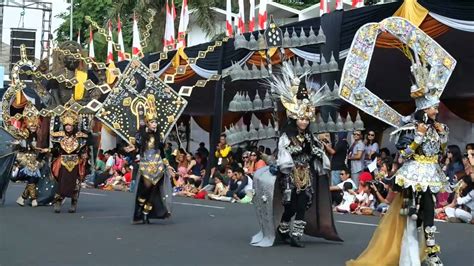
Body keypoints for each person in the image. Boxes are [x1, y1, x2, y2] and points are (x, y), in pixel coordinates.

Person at [343, 18, 455, 266]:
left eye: (436, 105)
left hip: (431, 171)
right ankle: (413, 252)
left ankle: (430, 253)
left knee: (429, 212)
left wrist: (440, 137)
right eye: (434, 106)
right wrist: (417, 137)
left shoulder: (441, 127)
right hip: (414, 174)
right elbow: (403, 154)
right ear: (426, 108)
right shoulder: (410, 127)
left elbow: (442, 151)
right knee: (416, 213)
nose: (437, 107)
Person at [251, 62, 342, 248]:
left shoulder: (310, 136)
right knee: (290, 205)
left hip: (306, 174)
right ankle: (283, 230)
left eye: (307, 119)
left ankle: (296, 235)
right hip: (290, 176)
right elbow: (284, 156)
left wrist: (314, 150)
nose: (304, 122)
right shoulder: (286, 136)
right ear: (294, 118)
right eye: (301, 118)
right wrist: (300, 149)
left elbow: (319, 155)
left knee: (303, 204)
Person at [124, 98, 172, 224]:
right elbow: (136, 150)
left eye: (155, 122)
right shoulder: (141, 136)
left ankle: (146, 214)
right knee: (145, 190)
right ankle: (139, 210)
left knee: (154, 193)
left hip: (159, 166)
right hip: (145, 167)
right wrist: (130, 149)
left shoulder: (160, 137)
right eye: (152, 122)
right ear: (147, 123)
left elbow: (162, 153)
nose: (154, 124)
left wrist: (168, 166)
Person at [50, 108, 89, 213]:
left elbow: (84, 148)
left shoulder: (80, 136)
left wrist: (84, 155)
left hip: (76, 162)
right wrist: (48, 150)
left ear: (74, 126)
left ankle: (73, 203)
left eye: (70, 125)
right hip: (62, 162)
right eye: (66, 125)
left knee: (75, 184)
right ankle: (58, 202)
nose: (68, 127)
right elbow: (56, 149)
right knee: (61, 183)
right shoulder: (59, 136)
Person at [13, 102, 50, 207]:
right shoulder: (23, 133)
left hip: (37, 159)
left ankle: (23, 197)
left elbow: (43, 146)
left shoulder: (40, 134)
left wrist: (44, 152)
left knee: (33, 178)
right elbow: (18, 147)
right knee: (32, 175)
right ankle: (33, 199)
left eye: (35, 123)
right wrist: (20, 143)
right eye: (30, 123)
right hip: (25, 158)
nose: (33, 126)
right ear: (26, 122)